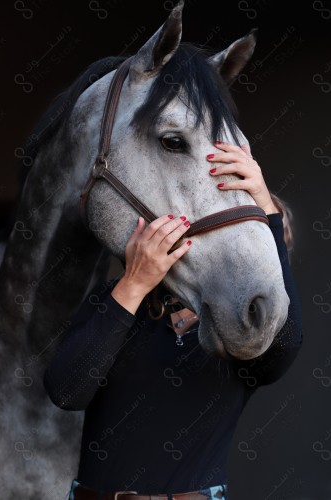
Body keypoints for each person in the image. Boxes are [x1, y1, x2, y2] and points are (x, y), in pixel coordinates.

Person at [43, 141, 303, 500]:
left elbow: (285, 346)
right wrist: (134, 283)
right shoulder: (116, 300)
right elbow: (66, 391)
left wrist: (266, 205)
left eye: (271, 237)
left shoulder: (241, 332)